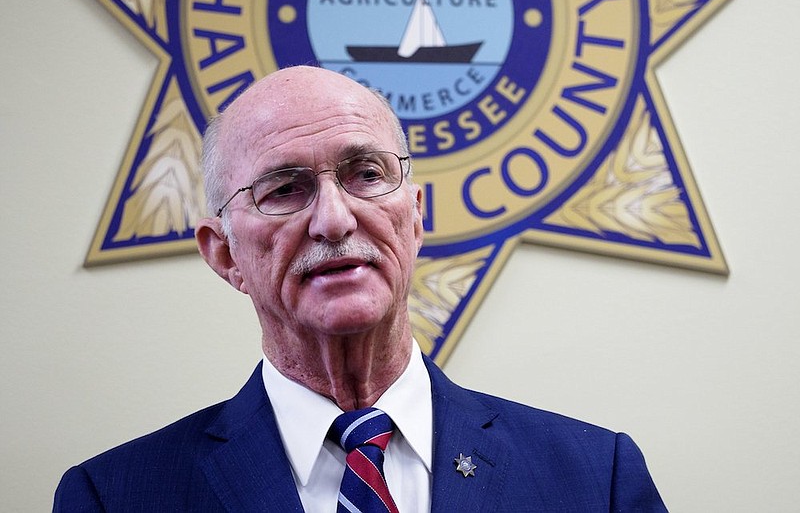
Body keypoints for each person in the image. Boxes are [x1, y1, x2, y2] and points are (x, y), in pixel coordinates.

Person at [54, 66, 667, 511]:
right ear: (224, 254)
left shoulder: (594, 480)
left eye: (366, 175)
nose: (335, 220)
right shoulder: (115, 497)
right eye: (284, 190)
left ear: (416, 215)